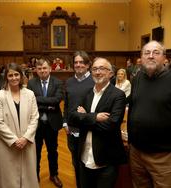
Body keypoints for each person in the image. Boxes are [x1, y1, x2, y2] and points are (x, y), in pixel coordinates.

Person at [127, 41, 171, 188]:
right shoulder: (138, 78)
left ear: (164, 58)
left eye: (156, 52)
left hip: (164, 158)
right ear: (141, 57)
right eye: (147, 53)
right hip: (136, 153)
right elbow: (134, 107)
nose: (151, 56)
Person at [69, 57, 127, 188]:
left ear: (111, 73)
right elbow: (72, 117)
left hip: (106, 159)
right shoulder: (87, 93)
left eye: (102, 69)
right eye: (94, 69)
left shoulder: (118, 95)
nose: (97, 72)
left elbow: (111, 125)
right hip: (84, 156)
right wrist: (94, 117)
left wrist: (84, 117)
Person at [0, 62, 39, 188]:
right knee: (7, 179)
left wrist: (25, 138)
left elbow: (35, 118)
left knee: (28, 178)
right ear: (6, 77)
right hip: (6, 144)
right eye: (10, 75)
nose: (14, 78)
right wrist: (14, 140)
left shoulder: (30, 94)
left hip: (26, 142)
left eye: (16, 74)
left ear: (21, 75)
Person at [27, 58, 63, 188]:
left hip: (52, 124)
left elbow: (57, 99)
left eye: (45, 68)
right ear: (36, 70)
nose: (42, 71)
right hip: (35, 125)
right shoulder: (31, 83)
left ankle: (54, 174)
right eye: (40, 68)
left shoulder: (58, 82)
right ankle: (34, 176)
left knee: (53, 151)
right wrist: (48, 106)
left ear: (50, 69)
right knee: (35, 152)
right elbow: (31, 102)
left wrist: (40, 101)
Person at [63, 50, 94, 188]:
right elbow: (67, 104)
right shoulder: (69, 82)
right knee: (75, 162)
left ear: (88, 65)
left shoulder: (94, 80)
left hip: (88, 130)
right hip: (72, 130)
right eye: (76, 62)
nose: (78, 65)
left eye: (82, 62)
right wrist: (65, 122)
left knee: (87, 163)